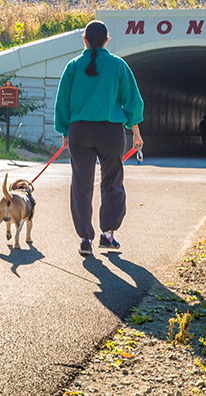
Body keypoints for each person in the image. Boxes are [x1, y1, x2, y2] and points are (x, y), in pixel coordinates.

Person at [54, 20, 144, 257]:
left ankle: (85, 239)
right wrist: (135, 132)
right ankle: (108, 235)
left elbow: (62, 102)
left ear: (84, 39)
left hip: (79, 131)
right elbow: (131, 101)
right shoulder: (118, 65)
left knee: (81, 184)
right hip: (111, 132)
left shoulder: (72, 66)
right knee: (112, 181)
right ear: (107, 41)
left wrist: (65, 132)